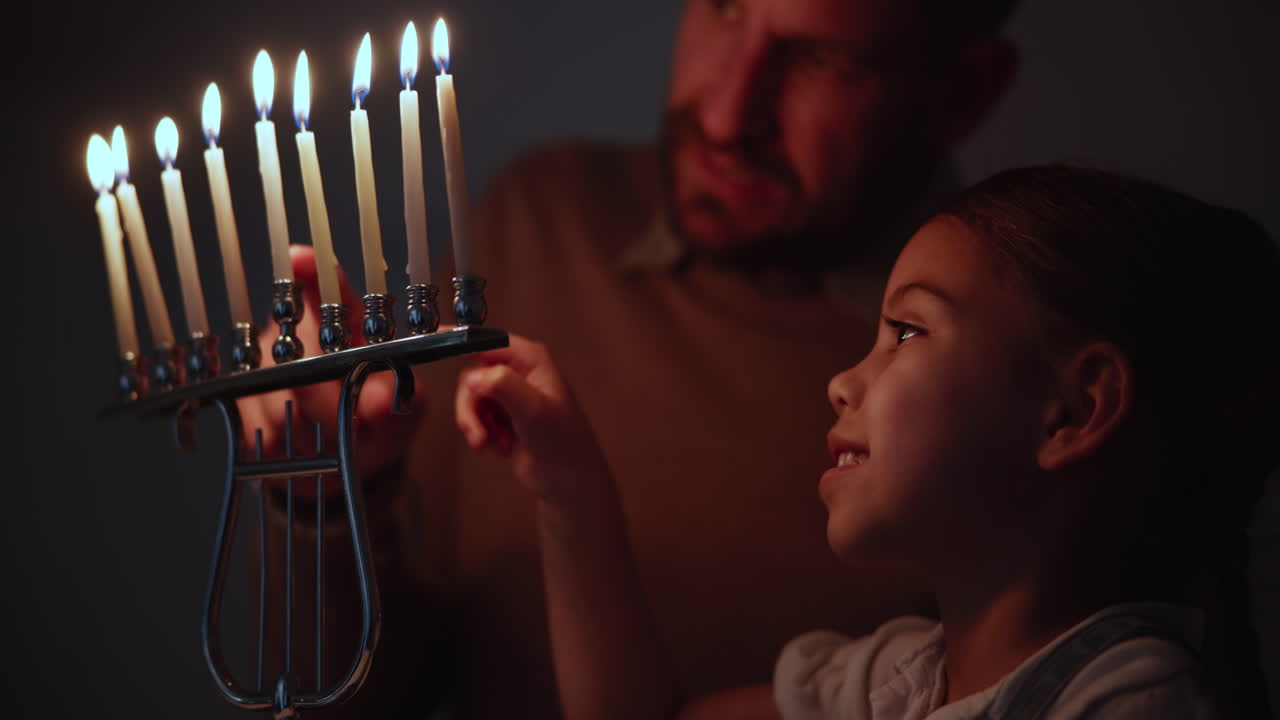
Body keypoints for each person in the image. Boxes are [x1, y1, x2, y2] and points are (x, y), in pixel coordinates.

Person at [238, 0, 1021, 715]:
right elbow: (349, 699)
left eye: (822, 60)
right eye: (721, 8)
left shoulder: (1008, 373)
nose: (725, 115)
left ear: (963, 94)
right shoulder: (540, 217)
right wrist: (330, 498)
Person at [454, 164, 1280, 719]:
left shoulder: (1131, 697)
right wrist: (569, 487)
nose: (842, 382)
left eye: (907, 333)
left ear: (1072, 409)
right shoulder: (891, 680)